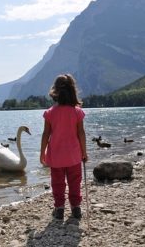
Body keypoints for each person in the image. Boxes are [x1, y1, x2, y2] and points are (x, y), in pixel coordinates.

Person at [40, 74, 88, 220]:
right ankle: (76, 208)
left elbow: (45, 134)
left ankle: (59, 208)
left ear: (55, 91)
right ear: (73, 91)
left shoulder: (50, 113)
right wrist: (84, 152)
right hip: (74, 155)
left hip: (56, 156)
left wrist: (42, 152)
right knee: (75, 182)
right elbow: (81, 133)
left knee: (57, 183)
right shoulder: (77, 112)